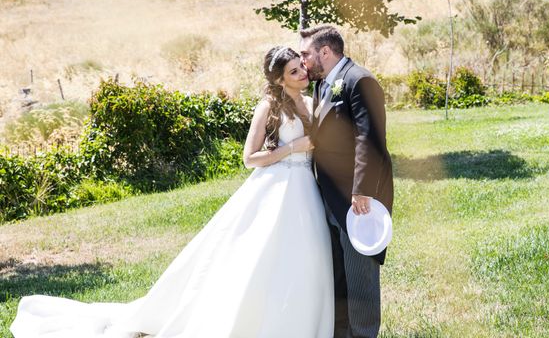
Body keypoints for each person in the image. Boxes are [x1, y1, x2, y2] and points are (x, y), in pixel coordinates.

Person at [10, 46, 334, 338]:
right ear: (278, 79)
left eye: (301, 67)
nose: (303, 72)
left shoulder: (310, 100)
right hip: (277, 188)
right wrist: (292, 148)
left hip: (307, 187)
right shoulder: (268, 107)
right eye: (293, 71)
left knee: (306, 256)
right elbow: (250, 158)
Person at [300, 25, 394, 338]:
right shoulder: (320, 86)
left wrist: (362, 191)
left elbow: (370, 139)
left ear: (324, 52)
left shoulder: (359, 80)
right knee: (338, 270)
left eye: (306, 54)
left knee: (360, 273)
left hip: (357, 198)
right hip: (327, 194)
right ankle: (342, 331)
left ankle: (364, 332)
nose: (303, 62)